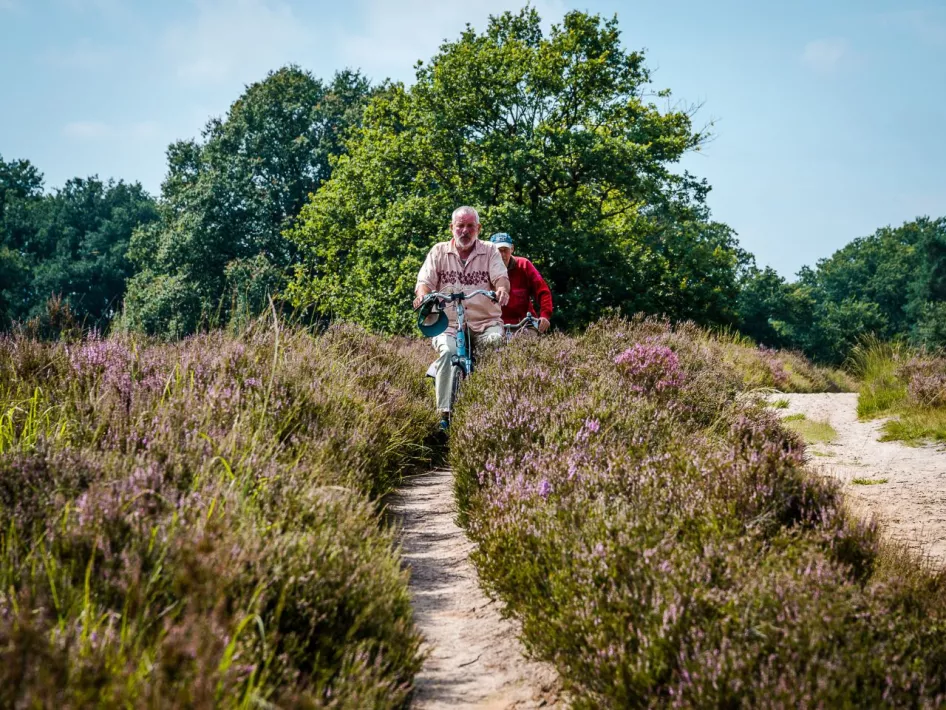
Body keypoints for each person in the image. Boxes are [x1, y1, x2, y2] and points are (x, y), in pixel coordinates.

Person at [414, 206, 510, 429]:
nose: (465, 231)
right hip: (447, 322)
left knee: (495, 345)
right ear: (452, 228)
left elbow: (501, 277)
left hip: (485, 321)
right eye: (460, 226)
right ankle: (444, 414)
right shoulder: (438, 252)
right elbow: (424, 283)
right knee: (447, 352)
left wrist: (502, 289)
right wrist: (423, 297)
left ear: (478, 228)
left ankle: (493, 406)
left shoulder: (490, 251)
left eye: (470, 226)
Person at [488, 233, 552, 333]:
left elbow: (543, 291)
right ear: (491, 252)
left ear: (512, 249)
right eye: (499, 251)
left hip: (525, 323)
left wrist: (545, 315)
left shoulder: (524, 265)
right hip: (495, 325)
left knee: (529, 343)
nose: (502, 255)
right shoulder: (485, 269)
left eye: (505, 250)